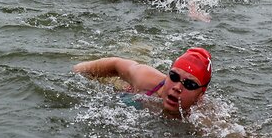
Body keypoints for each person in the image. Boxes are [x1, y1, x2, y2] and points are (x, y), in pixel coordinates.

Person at [73, 47, 212, 117]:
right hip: (125, 89)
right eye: (174, 77)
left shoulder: (203, 117)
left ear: (200, 96)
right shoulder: (146, 79)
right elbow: (115, 64)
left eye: (189, 84)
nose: (177, 87)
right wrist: (78, 70)